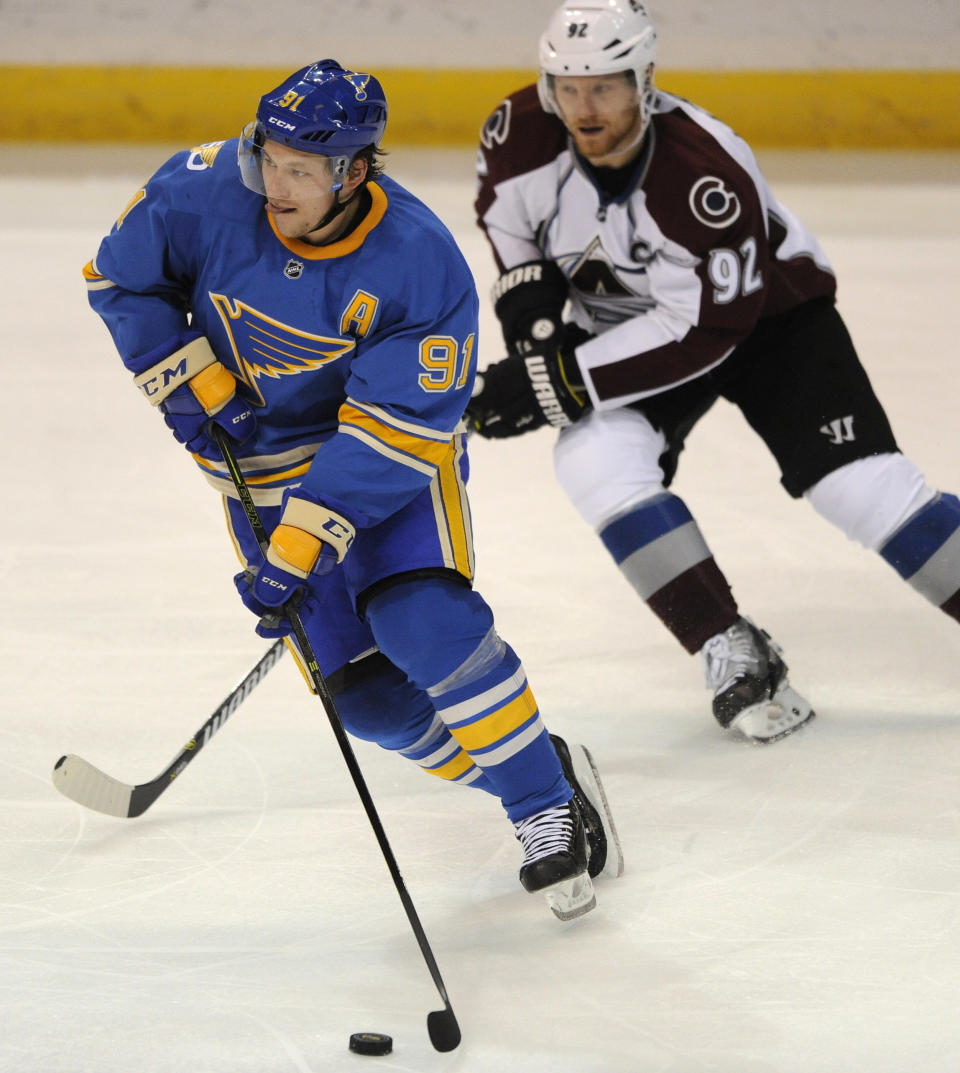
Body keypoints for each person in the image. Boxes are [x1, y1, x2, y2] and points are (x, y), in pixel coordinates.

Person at [82, 59, 623, 920]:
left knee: (425, 624)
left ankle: (545, 809)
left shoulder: (417, 260)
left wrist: (298, 546)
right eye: (269, 158)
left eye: (302, 170)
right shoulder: (199, 190)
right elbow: (119, 280)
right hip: (257, 472)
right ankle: (537, 762)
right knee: (368, 702)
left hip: (390, 467)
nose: (275, 185)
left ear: (354, 172)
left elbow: (391, 430)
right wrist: (193, 383)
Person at [468, 0, 960, 744]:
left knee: (858, 489)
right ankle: (729, 645)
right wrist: (536, 338)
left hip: (771, 324)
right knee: (594, 457)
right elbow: (510, 230)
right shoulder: (518, 135)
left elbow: (703, 329)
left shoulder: (705, 172)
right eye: (566, 87)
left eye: (603, 86)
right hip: (629, 327)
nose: (582, 107)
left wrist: (554, 383)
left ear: (644, 80)